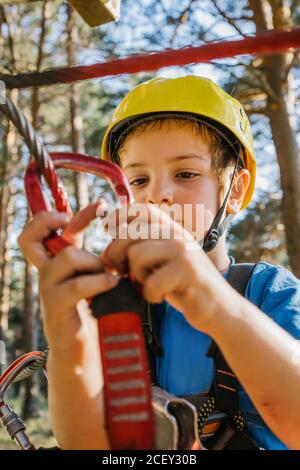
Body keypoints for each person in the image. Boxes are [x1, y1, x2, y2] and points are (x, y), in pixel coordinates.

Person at [18, 76, 300, 450]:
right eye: (138, 179)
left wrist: (214, 301)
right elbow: (86, 444)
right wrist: (69, 329)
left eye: (185, 174)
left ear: (233, 190)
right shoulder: (117, 305)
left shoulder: (270, 293)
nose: (157, 195)